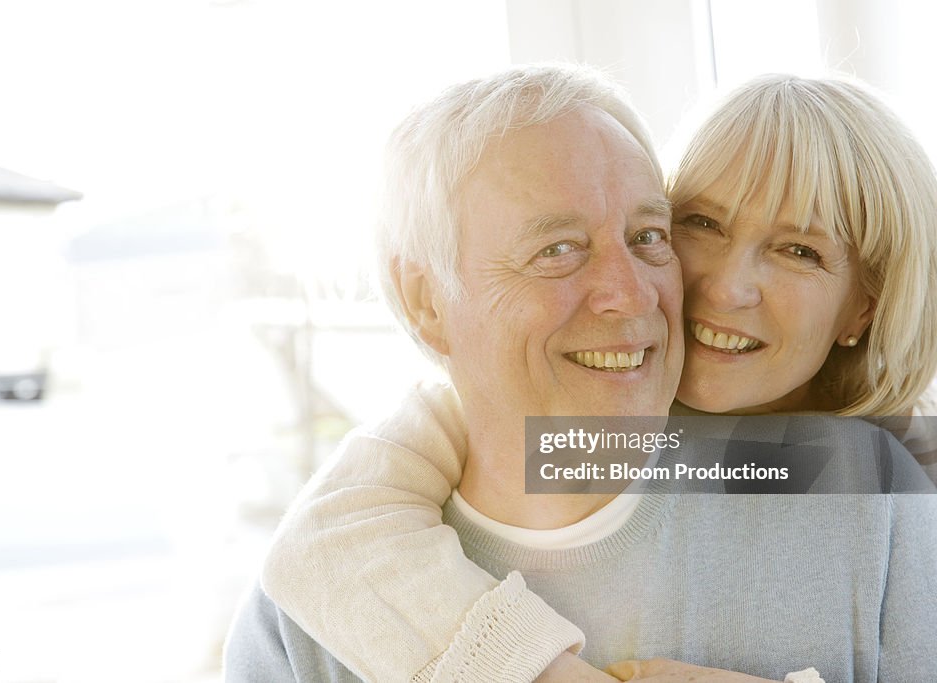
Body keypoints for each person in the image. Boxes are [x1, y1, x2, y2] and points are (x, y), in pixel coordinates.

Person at [226, 66, 937, 682]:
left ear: (864, 310)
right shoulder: (315, 599)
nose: (638, 294)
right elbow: (346, 514)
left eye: (645, 237)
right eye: (558, 248)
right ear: (423, 299)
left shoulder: (874, 496)